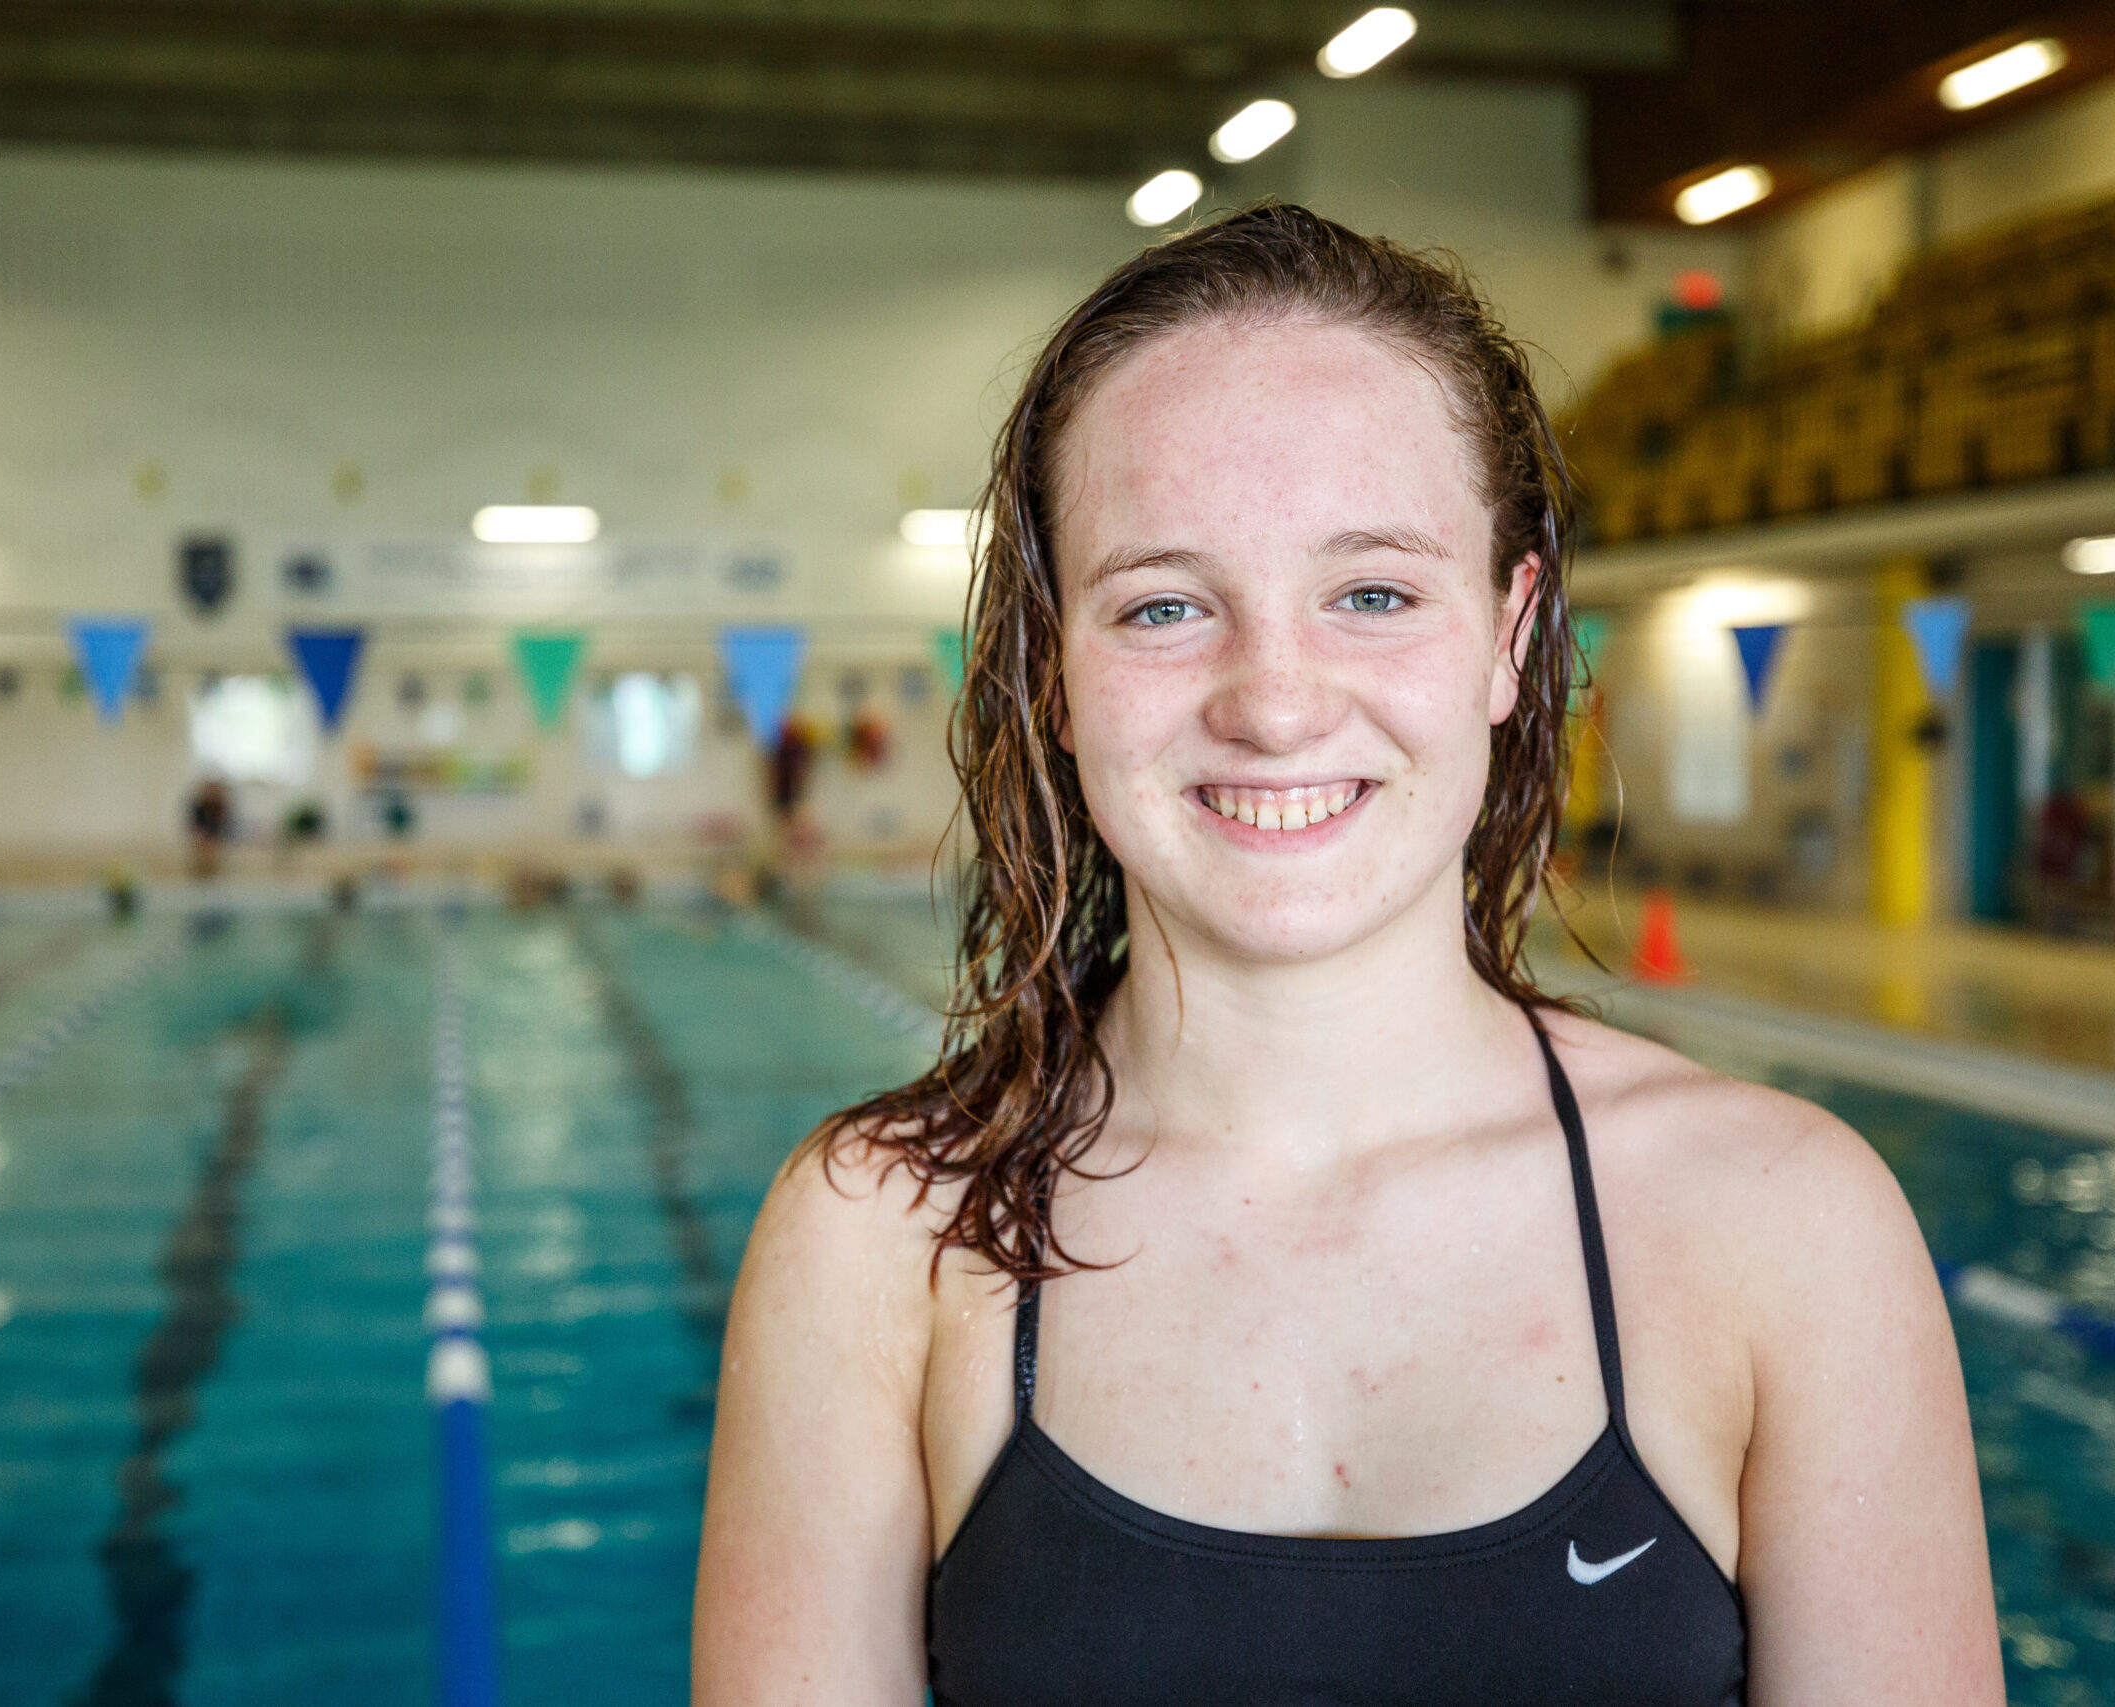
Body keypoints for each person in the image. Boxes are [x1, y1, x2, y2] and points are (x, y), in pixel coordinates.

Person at [692, 204, 2000, 1706]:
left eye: (1371, 592)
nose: (1275, 701)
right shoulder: (882, 1241)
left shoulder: (1787, 1229)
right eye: (1165, 605)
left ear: (1512, 636)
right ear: (1052, 670)